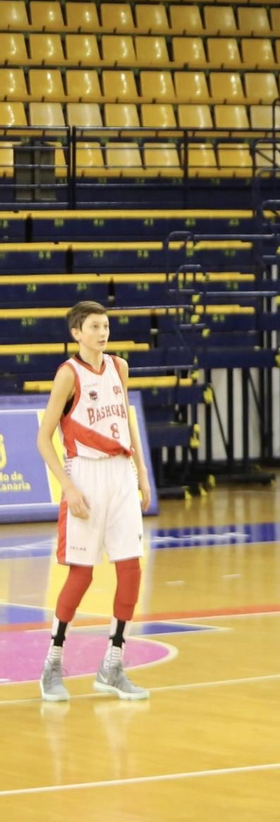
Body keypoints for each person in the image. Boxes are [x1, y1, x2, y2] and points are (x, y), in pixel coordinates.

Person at [37, 300, 151, 702]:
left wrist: (141, 472)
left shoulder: (120, 367)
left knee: (131, 570)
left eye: (105, 325)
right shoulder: (68, 374)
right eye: (94, 327)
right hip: (85, 475)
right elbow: (43, 437)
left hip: (120, 474)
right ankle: (52, 662)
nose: (102, 332)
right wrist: (68, 487)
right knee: (81, 576)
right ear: (76, 333)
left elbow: (127, 421)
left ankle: (113, 665)